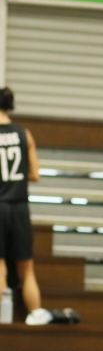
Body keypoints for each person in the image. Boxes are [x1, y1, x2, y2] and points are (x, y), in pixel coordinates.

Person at [0, 87, 52, 325]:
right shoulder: (24, 134)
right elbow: (35, 174)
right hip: (20, 207)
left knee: (0, 264)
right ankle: (35, 312)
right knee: (26, 268)